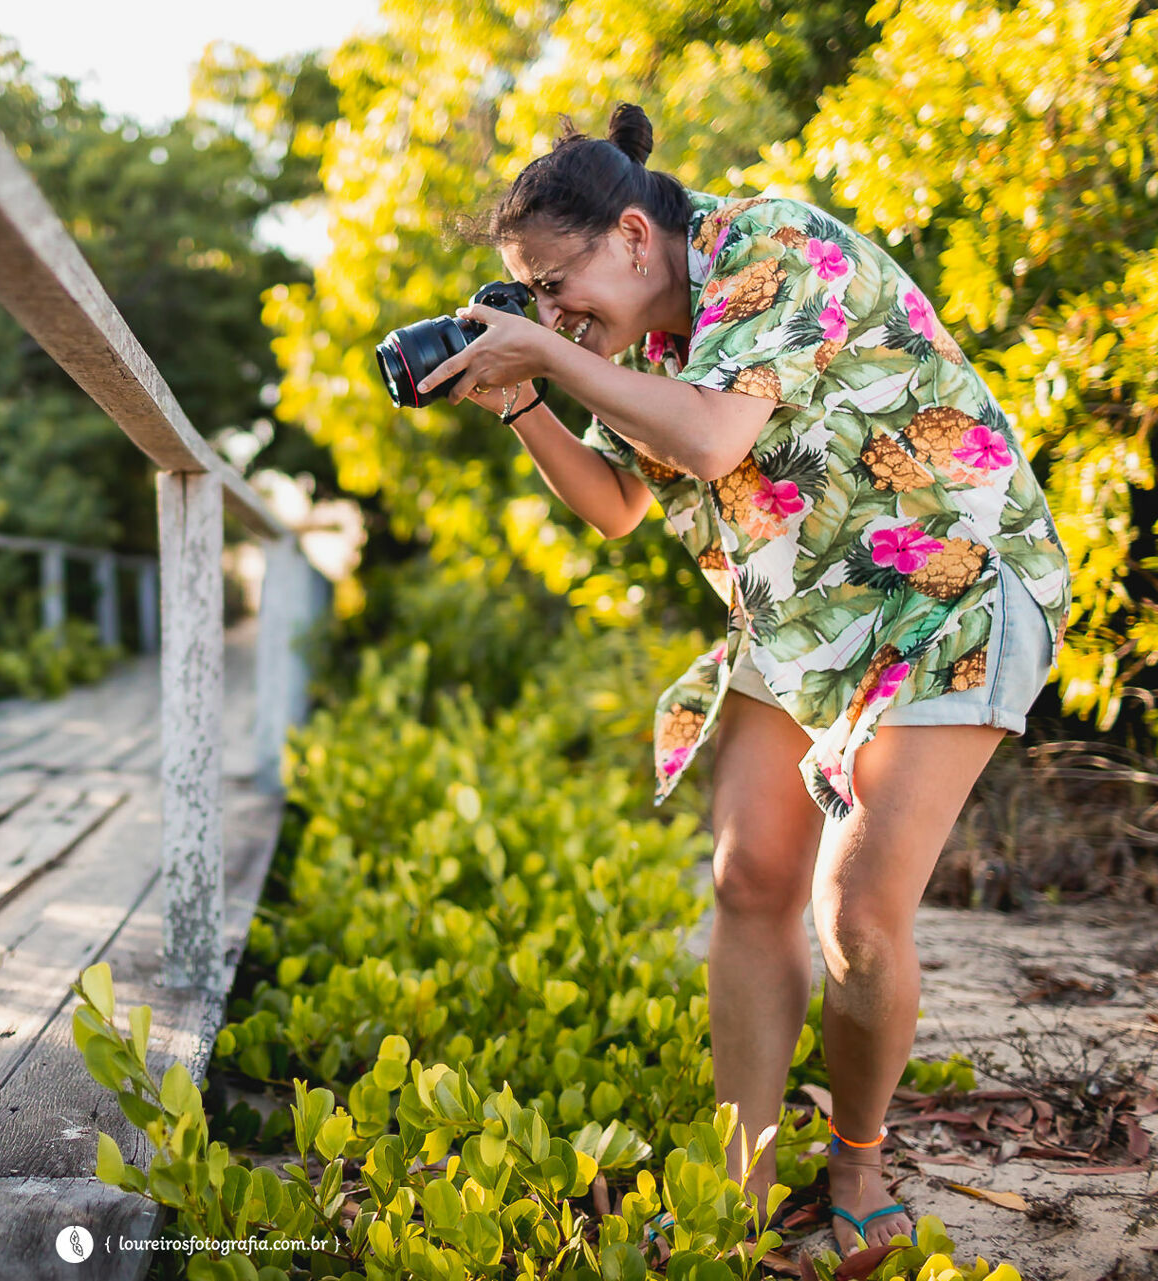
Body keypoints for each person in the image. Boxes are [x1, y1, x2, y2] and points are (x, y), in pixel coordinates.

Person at [413, 105, 1072, 1257]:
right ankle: (742, 1187)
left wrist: (550, 355)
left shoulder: (771, 245)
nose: (553, 315)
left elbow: (714, 440)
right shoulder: (639, 341)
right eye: (536, 301)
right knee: (750, 876)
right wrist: (520, 399)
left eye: (557, 288)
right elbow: (619, 505)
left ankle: (857, 1160)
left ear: (633, 234)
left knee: (855, 914)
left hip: (946, 588)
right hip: (803, 615)